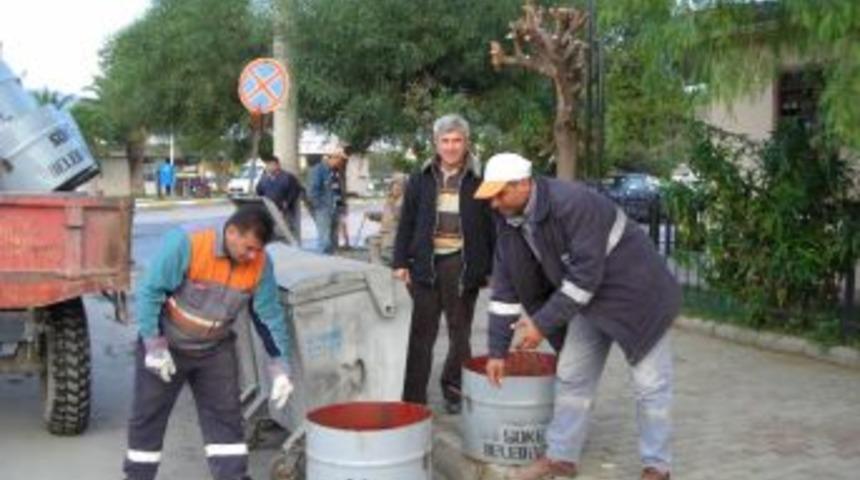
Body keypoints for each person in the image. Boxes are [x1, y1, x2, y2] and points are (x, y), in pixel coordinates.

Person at [475, 153, 680, 480]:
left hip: (638, 297)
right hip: (587, 301)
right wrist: (497, 351)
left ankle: (657, 466)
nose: (494, 204)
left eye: (500, 194)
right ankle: (560, 458)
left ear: (523, 184)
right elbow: (504, 290)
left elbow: (584, 277)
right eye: (491, 196)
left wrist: (541, 323)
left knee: (650, 386)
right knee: (572, 376)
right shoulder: (508, 221)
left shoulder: (572, 203)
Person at [123, 206, 295, 480]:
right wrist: (154, 346)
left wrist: (280, 366)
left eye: (258, 250)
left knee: (225, 421)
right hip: (168, 345)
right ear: (231, 232)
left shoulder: (260, 262)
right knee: (148, 417)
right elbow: (151, 290)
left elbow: (268, 315)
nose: (252, 256)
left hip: (215, 350)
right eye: (249, 248)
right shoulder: (188, 242)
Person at [392, 114, 495, 414]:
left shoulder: (480, 180)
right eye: (445, 141)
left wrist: (491, 269)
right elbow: (406, 222)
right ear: (436, 144)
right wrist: (400, 261)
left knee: (459, 333)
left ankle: (454, 389)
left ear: (466, 143)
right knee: (420, 333)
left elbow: (493, 227)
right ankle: (413, 399)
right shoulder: (420, 178)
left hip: (463, 264)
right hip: (425, 263)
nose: (451, 147)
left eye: (457, 140)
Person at [255, 154, 305, 242]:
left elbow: (295, 191)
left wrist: (286, 204)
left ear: (277, 165)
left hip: (284, 213)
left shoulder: (287, 177)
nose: (268, 167)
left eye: (270, 164)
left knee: (284, 234)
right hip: (269, 211)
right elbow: (259, 191)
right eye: (267, 165)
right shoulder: (264, 178)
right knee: (270, 234)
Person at [307, 147, 347, 254]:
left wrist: (342, 207)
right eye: (341, 159)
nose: (342, 162)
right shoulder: (318, 170)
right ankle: (321, 265)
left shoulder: (338, 171)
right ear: (334, 157)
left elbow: (339, 190)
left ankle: (331, 265)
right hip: (323, 210)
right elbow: (312, 192)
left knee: (333, 241)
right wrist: (320, 207)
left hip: (336, 209)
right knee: (325, 241)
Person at [366, 173, 407, 265]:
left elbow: (402, 218)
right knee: (372, 241)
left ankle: (390, 265)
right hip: (384, 231)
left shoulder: (404, 201)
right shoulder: (390, 200)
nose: (396, 188)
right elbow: (385, 216)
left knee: (387, 249)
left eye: (400, 185)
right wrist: (372, 216)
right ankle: (376, 265)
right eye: (394, 185)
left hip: (395, 232)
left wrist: (395, 207)